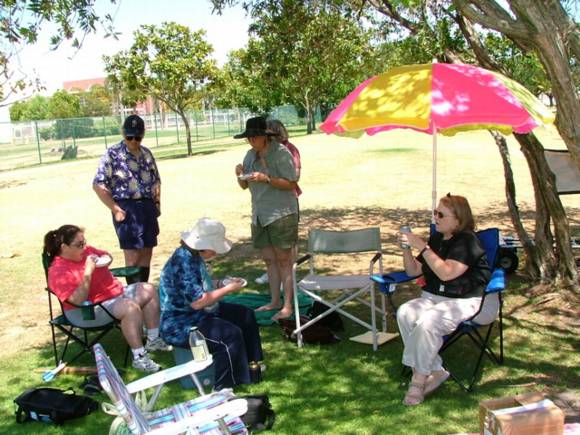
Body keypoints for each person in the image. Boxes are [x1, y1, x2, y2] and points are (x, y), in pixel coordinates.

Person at [396, 194, 499, 406]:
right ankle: (436, 370)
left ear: (458, 219)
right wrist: (407, 250)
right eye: (435, 212)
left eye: (441, 214)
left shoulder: (468, 241)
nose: (436, 217)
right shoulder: (437, 239)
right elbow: (413, 271)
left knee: (430, 321)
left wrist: (422, 247)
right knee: (405, 312)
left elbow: (447, 273)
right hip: (435, 297)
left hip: (470, 301)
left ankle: (418, 380)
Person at [43, 224, 170, 373]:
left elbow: (107, 255)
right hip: (86, 311)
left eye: (84, 242)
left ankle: (153, 340)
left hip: (113, 295)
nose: (84, 247)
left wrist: (105, 260)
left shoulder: (86, 251)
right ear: (64, 248)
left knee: (148, 289)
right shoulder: (58, 271)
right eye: (79, 244)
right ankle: (140, 358)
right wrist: (88, 271)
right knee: (130, 308)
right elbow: (77, 300)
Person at [159, 218, 264, 389]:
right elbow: (198, 302)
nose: (215, 253)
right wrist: (228, 289)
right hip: (180, 322)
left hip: (198, 313)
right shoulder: (183, 262)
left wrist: (221, 283)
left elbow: (199, 285)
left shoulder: (192, 255)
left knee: (245, 314)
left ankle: (251, 365)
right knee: (229, 335)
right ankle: (226, 385)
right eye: (214, 249)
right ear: (205, 246)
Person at [234, 116, 299, 321]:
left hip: (281, 213)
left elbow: (291, 183)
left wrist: (267, 178)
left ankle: (287, 305)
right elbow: (245, 186)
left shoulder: (281, 153)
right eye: (248, 137)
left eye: (255, 136)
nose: (251, 140)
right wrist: (239, 175)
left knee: (284, 261)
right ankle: (274, 301)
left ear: (265, 136)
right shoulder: (249, 155)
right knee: (269, 261)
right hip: (260, 215)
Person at [93, 114, 161, 284]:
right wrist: (115, 209)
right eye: (129, 137)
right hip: (126, 207)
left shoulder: (146, 154)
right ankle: (133, 295)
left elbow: (156, 181)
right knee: (133, 255)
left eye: (137, 137)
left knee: (146, 252)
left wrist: (157, 205)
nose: (133, 141)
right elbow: (98, 184)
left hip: (147, 206)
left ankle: (143, 290)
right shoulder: (112, 154)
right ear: (123, 134)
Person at [255, 119, 302, 285]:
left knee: (287, 245)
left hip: (286, 202)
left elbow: (293, 178)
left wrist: (267, 175)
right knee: (272, 250)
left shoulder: (288, 150)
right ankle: (274, 274)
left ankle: (288, 275)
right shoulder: (257, 152)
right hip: (266, 205)